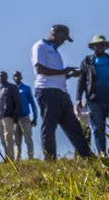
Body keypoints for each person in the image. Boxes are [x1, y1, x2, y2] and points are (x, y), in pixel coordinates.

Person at [32, 24, 92, 160]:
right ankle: (50, 159)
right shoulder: (40, 46)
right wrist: (64, 71)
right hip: (47, 91)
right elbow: (40, 69)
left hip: (61, 92)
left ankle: (87, 156)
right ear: (55, 33)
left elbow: (57, 75)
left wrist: (70, 74)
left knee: (73, 126)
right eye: (63, 37)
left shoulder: (55, 51)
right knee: (49, 126)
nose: (64, 41)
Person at [0, 71, 22, 162]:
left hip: (8, 117)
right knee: (3, 140)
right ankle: (7, 158)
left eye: (2, 76)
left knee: (8, 138)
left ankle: (11, 158)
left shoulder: (12, 87)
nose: (0, 78)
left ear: (6, 77)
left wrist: (15, 115)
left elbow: (18, 102)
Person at [12, 70, 38, 160]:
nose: (16, 78)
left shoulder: (26, 88)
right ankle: (17, 159)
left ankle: (30, 157)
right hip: (14, 119)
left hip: (25, 117)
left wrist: (35, 117)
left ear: (21, 77)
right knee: (16, 140)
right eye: (15, 76)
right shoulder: (11, 89)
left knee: (28, 139)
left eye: (18, 76)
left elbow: (32, 103)